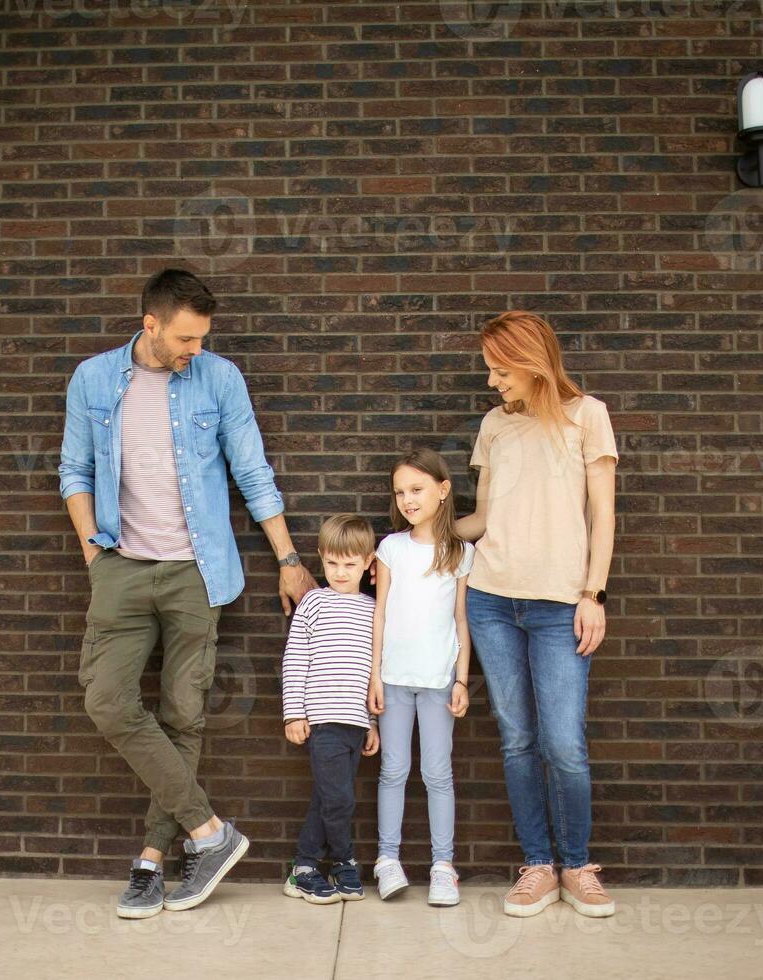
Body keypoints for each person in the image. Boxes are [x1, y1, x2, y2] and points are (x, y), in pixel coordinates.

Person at [58, 268, 318, 919]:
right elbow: (74, 469)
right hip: (119, 565)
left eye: (202, 338)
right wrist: (92, 549)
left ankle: (152, 860)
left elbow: (252, 469)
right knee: (109, 701)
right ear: (150, 325)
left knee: (182, 715)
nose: (194, 349)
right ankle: (210, 832)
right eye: (185, 337)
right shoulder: (94, 380)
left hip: (196, 574)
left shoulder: (219, 379)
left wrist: (288, 557)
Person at [454, 310, 619, 919]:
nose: (494, 382)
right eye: (490, 371)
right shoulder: (494, 425)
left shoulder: (587, 417)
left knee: (563, 742)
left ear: (531, 363)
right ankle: (538, 866)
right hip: (492, 598)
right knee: (518, 740)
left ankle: (577, 864)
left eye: (501, 371)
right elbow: (484, 519)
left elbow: (603, 515)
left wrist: (593, 593)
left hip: (559, 606)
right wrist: (419, 530)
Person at [368, 448, 474, 907]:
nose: (407, 500)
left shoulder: (460, 553)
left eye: (417, 489)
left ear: (442, 490)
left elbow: (461, 620)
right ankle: (387, 860)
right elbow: (380, 614)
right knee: (393, 770)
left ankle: (442, 865)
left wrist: (462, 679)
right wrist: (373, 675)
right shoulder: (391, 548)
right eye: (400, 492)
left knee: (437, 773)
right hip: (393, 678)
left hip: (438, 680)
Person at [279, 514, 381, 905]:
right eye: (332, 563)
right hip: (322, 720)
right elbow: (295, 660)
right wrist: (294, 713)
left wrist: (372, 724)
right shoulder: (313, 603)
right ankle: (343, 861)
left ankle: (303, 868)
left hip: (356, 721)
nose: (340, 572)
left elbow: (373, 672)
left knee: (328, 796)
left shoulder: (373, 610)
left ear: (368, 562)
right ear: (321, 557)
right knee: (340, 798)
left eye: (350, 564)